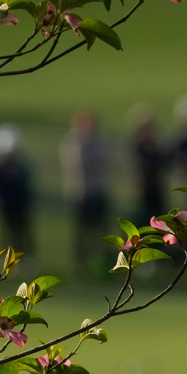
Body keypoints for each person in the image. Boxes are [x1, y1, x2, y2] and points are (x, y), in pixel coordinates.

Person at [60, 111, 113, 274]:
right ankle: (81, 264)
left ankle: (102, 262)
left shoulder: (100, 143)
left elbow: (107, 164)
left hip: (98, 192)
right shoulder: (74, 144)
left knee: (101, 229)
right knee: (81, 231)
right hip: (81, 193)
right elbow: (76, 167)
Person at [0, 124, 35, 258]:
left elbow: (26, 185)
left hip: (20, 203)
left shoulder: (21, 166)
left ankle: (25, 257)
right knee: (7, 233)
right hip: (6, 204)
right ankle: (8, 259)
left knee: (22, 232)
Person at [129, 107, 169, 223]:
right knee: (142, 216)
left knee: (160, 215)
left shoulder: (158, 146)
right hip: (142, 187)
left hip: (157, 186)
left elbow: (164, 164)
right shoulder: (136, 147)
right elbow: (134, 166)